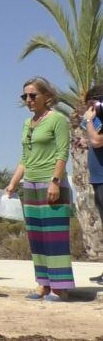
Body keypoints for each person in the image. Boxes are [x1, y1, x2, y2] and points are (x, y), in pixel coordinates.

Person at [6, 77, 74, 301]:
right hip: (31, 185)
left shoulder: (58, 120)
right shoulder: (28, 124)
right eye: (24, 96)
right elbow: (25, 158)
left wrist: (55, 180)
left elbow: (62, 153)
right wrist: (13, 184)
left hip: (51, 183)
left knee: (55, 236)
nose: (28, 100)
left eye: (33, 95)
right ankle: (43, 284)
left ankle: (60, 286)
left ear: (47, 96)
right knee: (36, 237)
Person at [82, 84, 103, 286]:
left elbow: (97, 141)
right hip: (97, 179)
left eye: (91, 104)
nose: (89, 109)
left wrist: (89, 120)